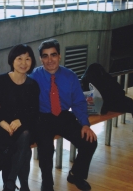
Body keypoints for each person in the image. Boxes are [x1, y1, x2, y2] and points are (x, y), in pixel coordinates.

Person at [29, 39, 97, 191]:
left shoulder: (70, 76)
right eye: (45, 56)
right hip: (42, 118)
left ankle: (76, 175)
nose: (50, 60)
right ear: (41, 59)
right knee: (46, 149)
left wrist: (85, 124)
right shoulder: (34, 77)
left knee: (90, 142)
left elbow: (79, 102)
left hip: (64, 116)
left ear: (59, 56)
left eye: (53, 55)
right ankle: (47, 184)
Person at [0, 44, 40, 191]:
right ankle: (24, 186)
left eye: (27, 59)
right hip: (2, 127)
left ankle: (9, 182)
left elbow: (34, 111)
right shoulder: (0, 81)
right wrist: (4, 123)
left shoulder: (32, 85)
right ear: (12, 60)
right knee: (24, 147)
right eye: (19, 58)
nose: (24, 63)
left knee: (25, 134)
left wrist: (20, 121)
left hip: (25, 125)